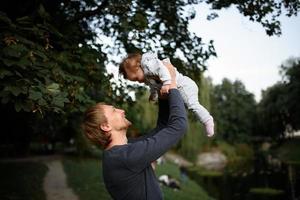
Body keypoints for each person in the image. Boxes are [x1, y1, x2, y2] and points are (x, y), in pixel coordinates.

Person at [82, 62, 187, 200]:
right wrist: (172, 82)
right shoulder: (125, 156)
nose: (122, 110)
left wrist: (162, 91)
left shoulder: (124, 150)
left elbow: (162, 128)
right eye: (114, 111)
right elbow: (178, 127)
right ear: (106, 126)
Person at [119, 52, 214, 137]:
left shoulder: (150, 65)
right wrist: (154, 94)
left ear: (138, 66)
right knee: (177, 108)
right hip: (179, 88)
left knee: (193, 105)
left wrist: (167, 83)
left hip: (184, 86)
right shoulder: (148, 76)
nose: (138, 82)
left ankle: (207, 120)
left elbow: (163, 69)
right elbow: (154, 86)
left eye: (136, 78)